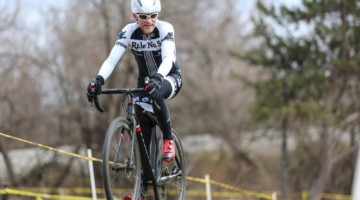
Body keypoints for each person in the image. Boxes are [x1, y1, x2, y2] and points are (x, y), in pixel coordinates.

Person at [87, 0, 182, 163]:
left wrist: (158, 78)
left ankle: (168, 139)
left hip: (169, 77)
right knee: (143, 130)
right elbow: (111, 61)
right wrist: (98, 80)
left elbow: (168, 59)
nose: (149, 20)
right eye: (144, 16)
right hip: (144, 81)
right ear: (134, 16)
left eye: (153, 16)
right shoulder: (128, 31)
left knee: (156, 93)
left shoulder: (165, 28)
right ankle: (144, 182)